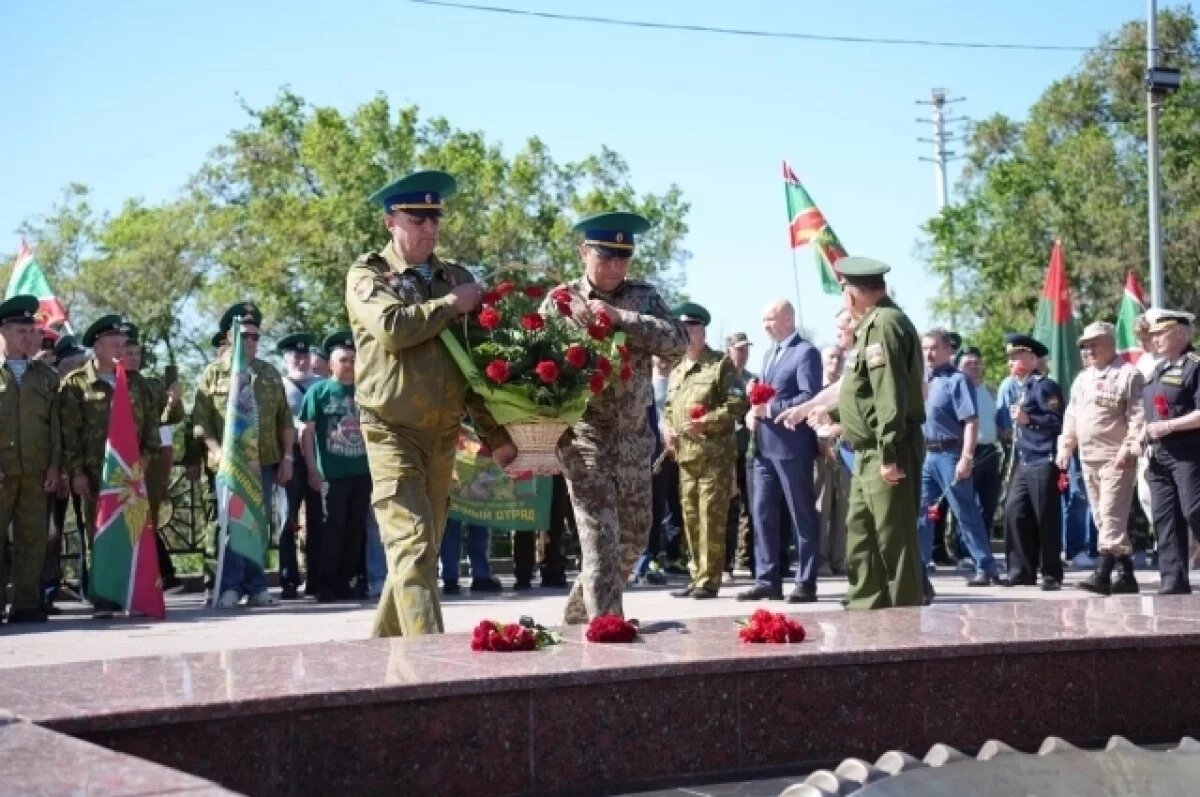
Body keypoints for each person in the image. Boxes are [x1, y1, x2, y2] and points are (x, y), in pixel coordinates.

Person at [345, 169, 515, 637]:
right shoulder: (368, 276)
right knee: (415, 546)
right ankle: (435, 670)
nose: (429, 228)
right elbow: (393, 330)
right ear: (390, 222)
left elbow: (474, 367)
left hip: (442, 436)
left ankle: (381, 663)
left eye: (434, 218)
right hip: (390, 430)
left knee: (416, 553)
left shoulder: (455, 278)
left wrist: (497, 436)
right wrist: (450, 306)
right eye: (416, 218)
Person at [544, 211, 687, 623]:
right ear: (584, 252)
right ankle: (609, 632)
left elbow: (676, 343)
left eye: (623, 258)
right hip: (584, 435)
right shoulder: (561, 300)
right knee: (600, 537)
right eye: (605, 257)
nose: (614, 268)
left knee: (634, 535)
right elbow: (536, 363)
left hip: (632, 435)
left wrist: (623, 319)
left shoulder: (643, 297)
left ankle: (578, 613)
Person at [810, 257, 925, 609]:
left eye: (843, 288)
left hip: (886, 448)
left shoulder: (884, 325)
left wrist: (889, 454)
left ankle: (904, 623)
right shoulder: (871, 326)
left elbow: (889, 392)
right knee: (861, 534)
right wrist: (832, 411)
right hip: (866, 450)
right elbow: (865, 392)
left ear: (853, 293)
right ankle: (867, 608)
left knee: (894, 538)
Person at [192, 302, 292, 609]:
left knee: (256, 525)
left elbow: (284, 420)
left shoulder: (269, 372)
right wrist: (218, 452)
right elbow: (200, 422)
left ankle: (257, 586)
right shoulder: (213, 374)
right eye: (244, 336)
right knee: (230, 524)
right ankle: (228, 587)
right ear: (229, 337)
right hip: (228, 465)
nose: (250, 342)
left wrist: (288, 457)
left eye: (255, 337)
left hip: (263, 461)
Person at [59, 314, 159, 618]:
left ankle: (136, 593)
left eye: (122, 342)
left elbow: (152, 429)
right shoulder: (76, 385)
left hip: (131, 477)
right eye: (112, 341)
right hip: (95, 477)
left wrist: (144, 459)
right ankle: (104, 597)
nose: (120, 346)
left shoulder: (137, 384)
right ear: (96, 346)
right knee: (98, 535)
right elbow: (68, 435)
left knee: (134, 532)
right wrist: (75, 472)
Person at [737, 299, 822, 603]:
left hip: (792, 447)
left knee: (801, 515)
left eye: (770, 319)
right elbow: (764, 398)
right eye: (763, 319)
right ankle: (767, 578)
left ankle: (806, 581)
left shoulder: (806, 352)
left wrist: (769, 409)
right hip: (764, 447)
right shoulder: (770, 353)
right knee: (762, 514)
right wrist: (753, 412)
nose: (765, 325)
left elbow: (809, 396)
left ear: (788, 318)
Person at [662, 302, 744, 599]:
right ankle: (697, 574)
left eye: (692, 328)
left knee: (711, 517)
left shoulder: (720, 364)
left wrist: (705, 422)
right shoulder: (677, 369)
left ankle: (709, 581)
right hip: (685, 457)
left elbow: (736, 405)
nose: (687, 333)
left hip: (713, 457)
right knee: (691, 517)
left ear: (702, 330)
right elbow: (670, 407)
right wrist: (669, 430)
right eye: (682, 329)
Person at [1056, 321, 1145, 595]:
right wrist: (1065, 446)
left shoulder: (1129, 375)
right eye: (1085, 346)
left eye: (1094, 344)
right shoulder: (1084, 379)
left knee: (1110, 515)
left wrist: (1129, 448)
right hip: (1088, 458)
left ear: (1109, 343)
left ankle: (1102, 574)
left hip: (1115, 457)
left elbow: (1138, 415)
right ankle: (1127, 576)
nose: (1089, 350)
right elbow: (1072, 415)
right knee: (1103, 519)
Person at [915, 328, 998, 590]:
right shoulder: (923, 380)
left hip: (951, 454)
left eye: (933, 348)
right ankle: (920, 566)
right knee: (923, 512)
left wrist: (966, 457)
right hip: (928, 454)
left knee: (964, 511)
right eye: (925, 348)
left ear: (947, 350)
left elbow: (971, 422)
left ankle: (985, 566)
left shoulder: (958, 380)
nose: (928, 353)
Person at [0, 296, 62, 623]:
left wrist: (55, 465)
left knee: (32, 540)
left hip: (36, 472)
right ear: (4, 332)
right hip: (2, 472)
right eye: (21, 330)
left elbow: (55, 428)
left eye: (31, 330)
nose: (28, 336)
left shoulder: (46, 378)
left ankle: (26, 604)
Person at [300, 331, 371, 602]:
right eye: (344, 360)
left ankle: (345, 581)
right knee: (331, 529)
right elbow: (306, 433)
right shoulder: (318, 392)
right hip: (332, 474)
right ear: (330, 365)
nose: (350, 365)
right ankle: (325, 583)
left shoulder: (365, 391)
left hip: (361, 472)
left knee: (355, 529)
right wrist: (311, 468)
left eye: (353, 359)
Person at [120, 322, 186, 594]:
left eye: (137, 353)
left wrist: (174, 403)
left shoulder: (152, 386)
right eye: (128, 352)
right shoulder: (110, 381)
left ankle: (151, 580)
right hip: (118, 463)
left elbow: (167, 420)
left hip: (149, 461)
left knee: (147, 519)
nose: (134, 358)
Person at [1140, 309, 1200, 595]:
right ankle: (1173, 579)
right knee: (1165, 517)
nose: (1155, 340)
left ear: (1180, 333)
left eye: (1160, 334)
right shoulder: (1158, 370)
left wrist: (1169, 426)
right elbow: (1150, 411)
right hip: (1159, 455)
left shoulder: (1194, 365)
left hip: (1189, 453)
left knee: (1194, 510)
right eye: (1152, 335)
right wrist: (1142, 433)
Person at [1000, 334, 1066, 591]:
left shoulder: (1044, 386)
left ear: (1032, 358)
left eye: (1017, 356)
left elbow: (1057, 421)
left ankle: (1051, 572)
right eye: (1010, 358)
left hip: (1042, 457)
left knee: (1045, 517)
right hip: (1024, 459)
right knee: (1014, 512)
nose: (1012, 362)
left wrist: (1031, 420)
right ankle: (1020, 570)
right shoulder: (1020, 388)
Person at [277, 332, 323, 600]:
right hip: (291, 458)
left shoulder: (321, 384)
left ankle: (316, 578)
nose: (301, 360)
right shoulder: (279, 386)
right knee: (288, 520)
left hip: (318, 460)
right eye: (296, 356)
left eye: (305, 356)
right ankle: (288, 578)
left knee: (318, 520)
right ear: (286, 358)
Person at [814, 342, 849, 576]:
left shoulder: (848, 387)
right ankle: (820, 558)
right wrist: (823, 445)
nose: (835, 362)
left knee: (844, 508)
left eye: (838, 358)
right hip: (819, 454)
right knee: (821, 507)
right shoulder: (816, 388)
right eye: (830, 358)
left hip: (846, 452)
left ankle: (840, 558)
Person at [724, 332, 757, 573]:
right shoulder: (721, 377)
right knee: (727, 507)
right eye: (739, 349)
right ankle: (724, 561)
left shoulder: (751, 379)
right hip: (725, 451)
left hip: (747, 450)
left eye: (746, 349)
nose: (743, 353)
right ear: (729, 350)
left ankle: (744, 558)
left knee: (749, 505)